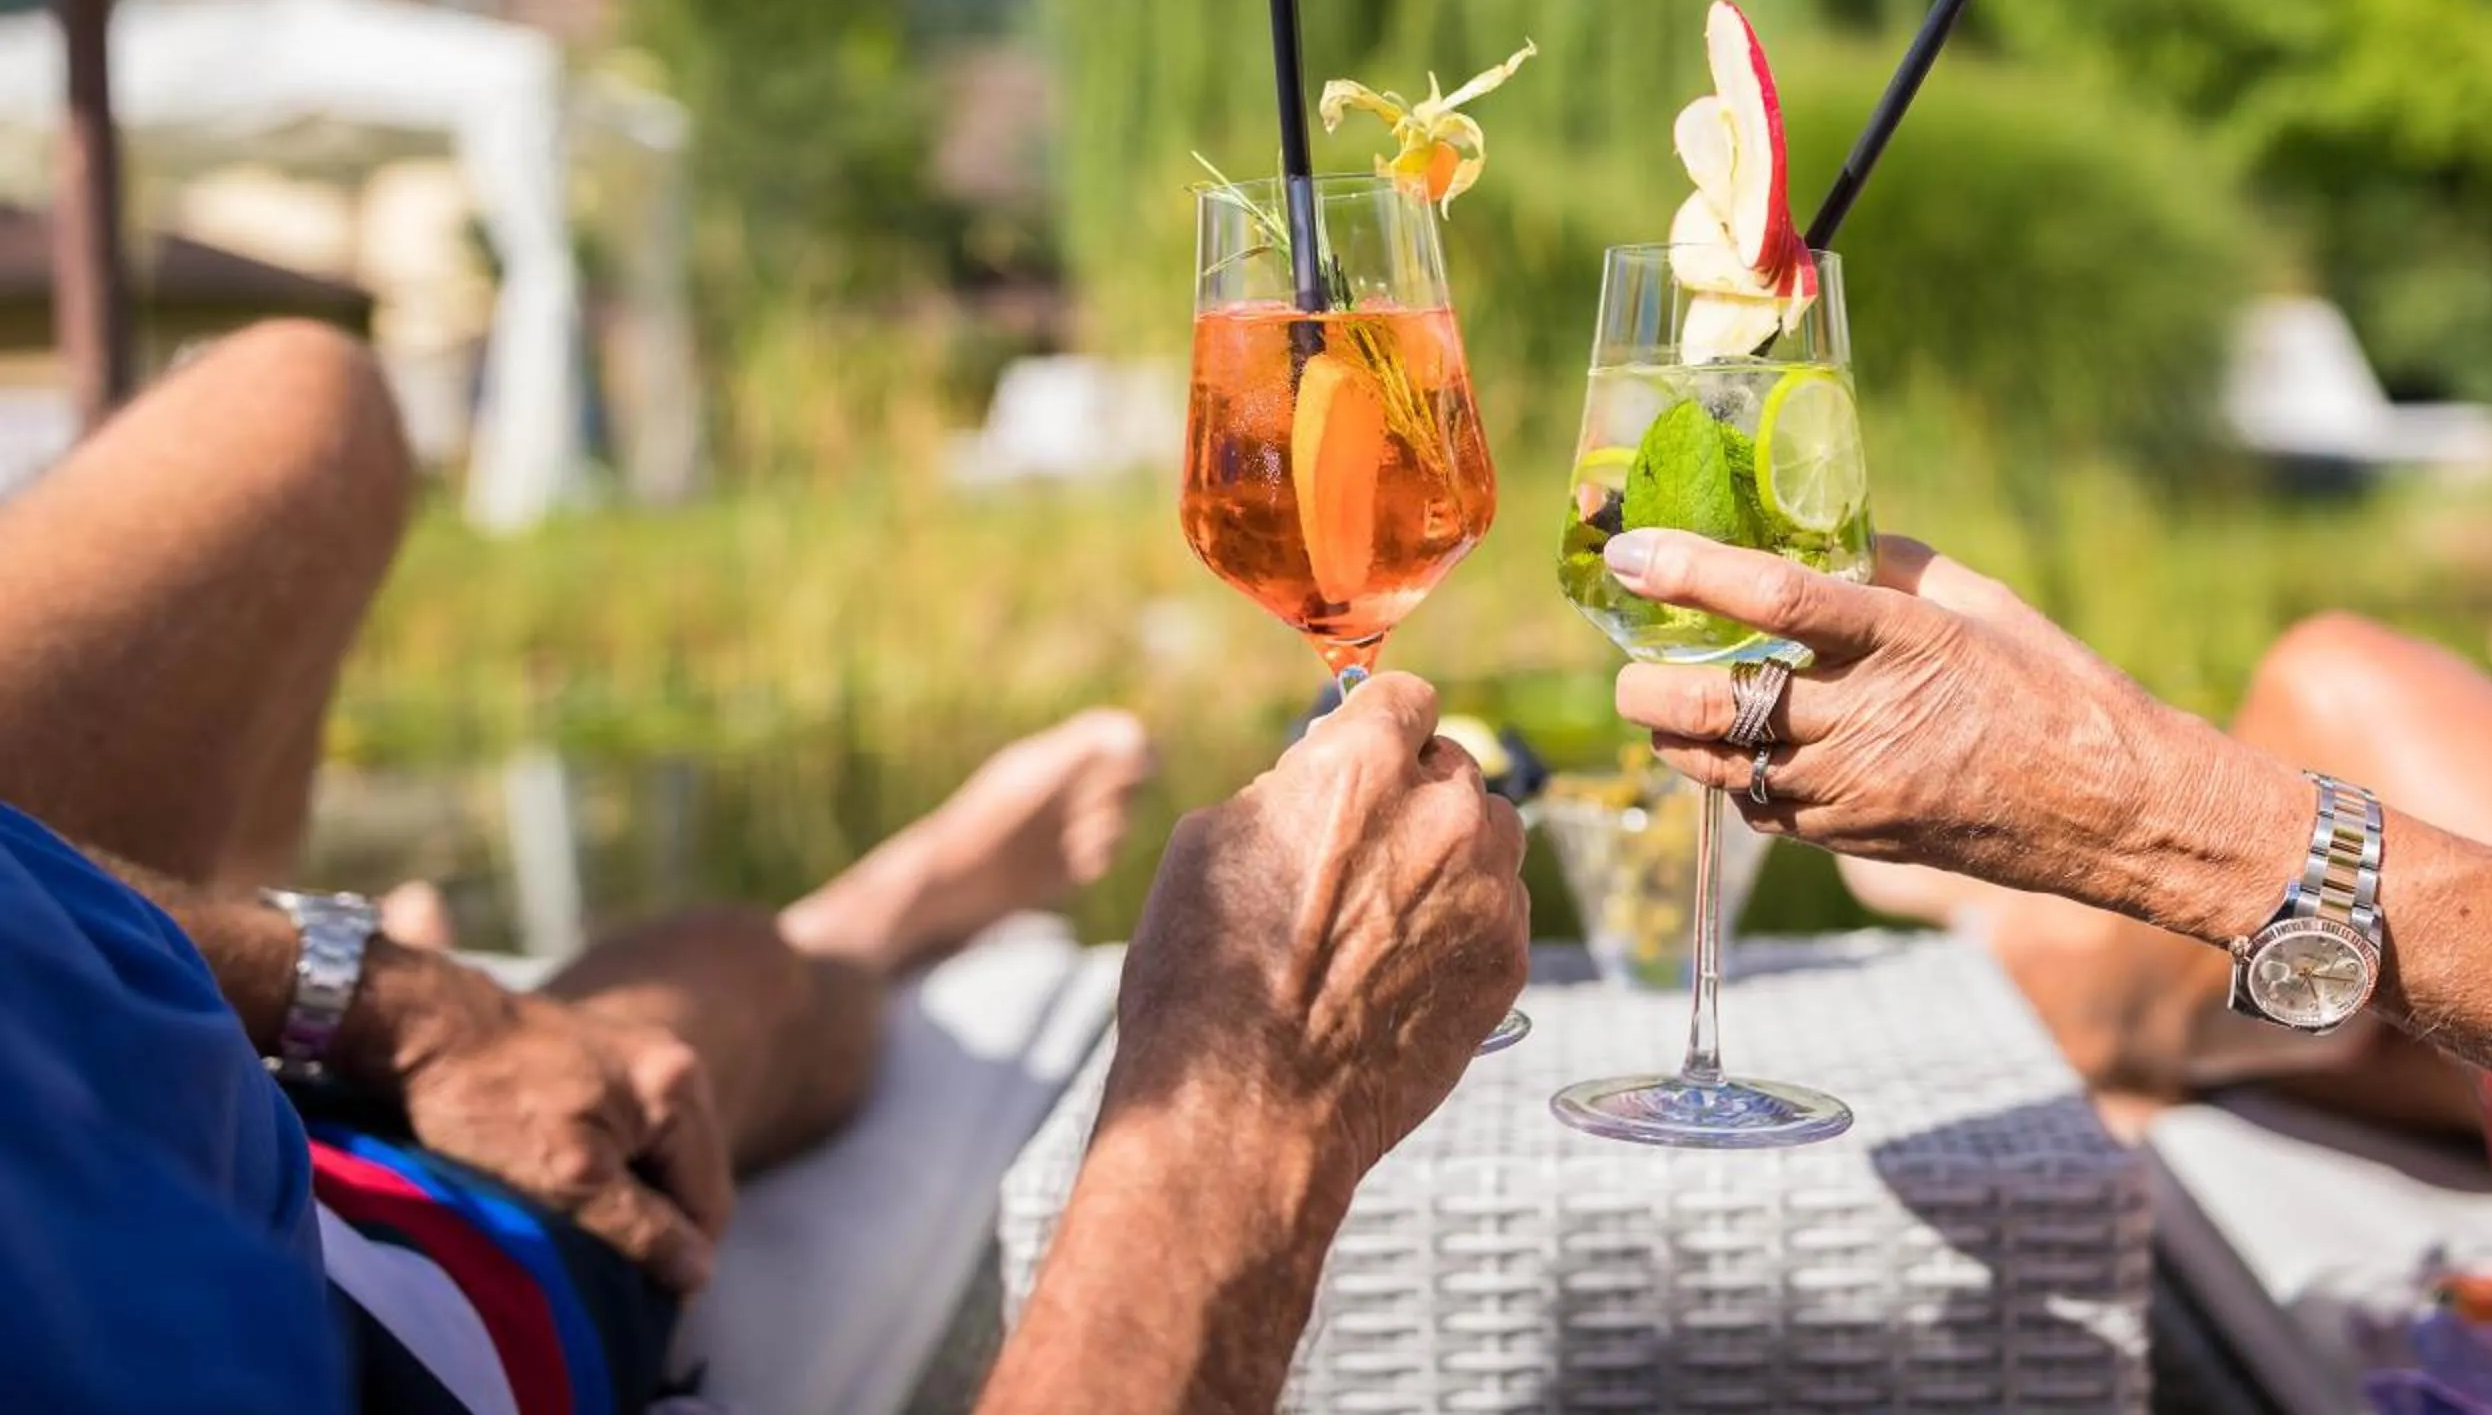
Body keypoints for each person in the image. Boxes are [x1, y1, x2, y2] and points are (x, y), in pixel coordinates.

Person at [0, 322, 1528, 1411]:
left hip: (114, 1043)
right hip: (327, 1280)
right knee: (678, 1043)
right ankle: (873, 923)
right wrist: (1247, 1096)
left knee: (297, 398)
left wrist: (352, 985)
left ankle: (843, 925)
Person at [1595, 524, 2492, 1412]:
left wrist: (2163, 815)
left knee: (2336, 722)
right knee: (2360, 736)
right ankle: (2109, 964)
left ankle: (2067, 966)